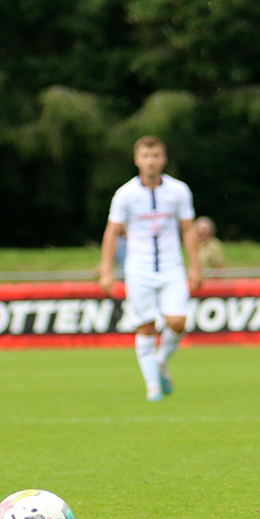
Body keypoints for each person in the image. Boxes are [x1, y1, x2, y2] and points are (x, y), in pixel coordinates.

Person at [99, 136, 202, 401]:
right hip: (139, 268)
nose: (151, 161)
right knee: (145, 326)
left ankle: (160, 362)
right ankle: (153, 387)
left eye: (155, 156)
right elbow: (112, 232)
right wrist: (106, 270)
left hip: (172, 267)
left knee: (178, 321)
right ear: (137, 160)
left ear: (163, 159)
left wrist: (196, 266)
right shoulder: (125, 194)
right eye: (146, 156)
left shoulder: (178, 191)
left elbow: (187, 229)